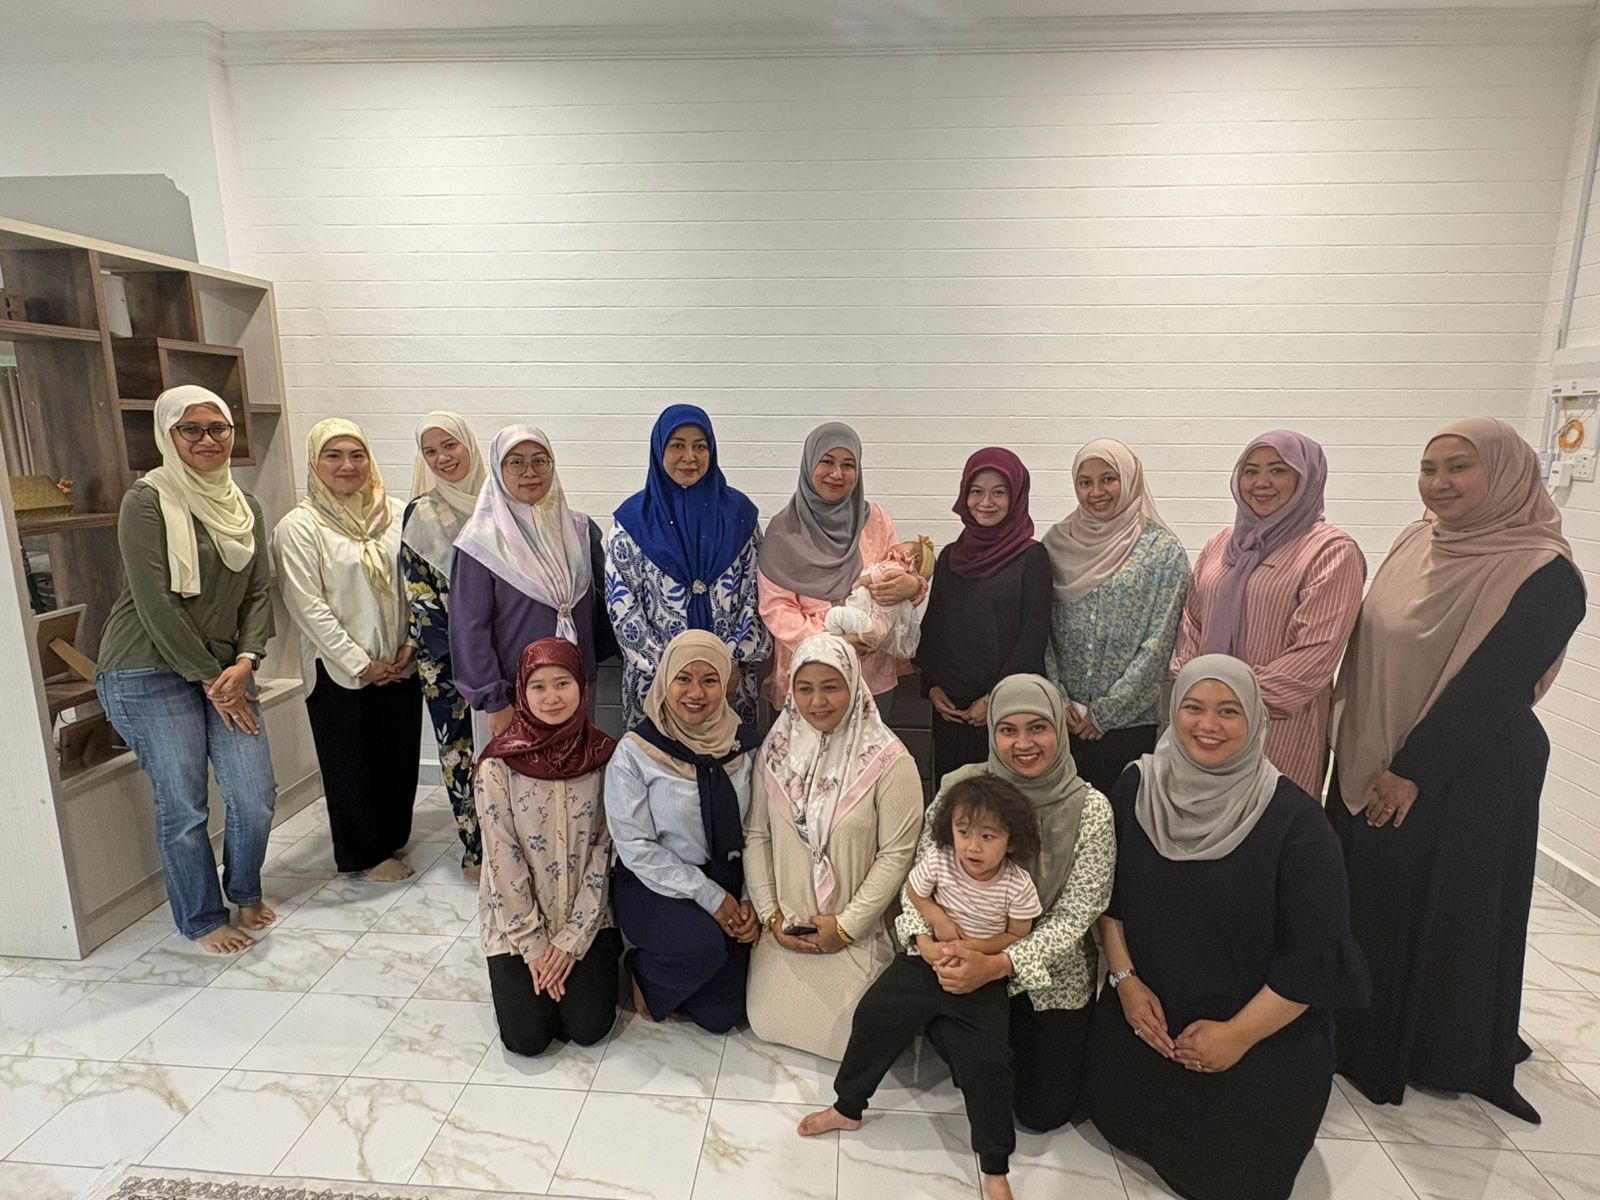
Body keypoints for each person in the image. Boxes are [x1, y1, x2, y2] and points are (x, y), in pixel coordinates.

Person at [1328, 417, 1586, 1123]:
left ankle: (1429, 1048)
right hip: (1374, 750)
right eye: (1428, 467)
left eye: (1458, 467)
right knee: (1371, 899)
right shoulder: (1418, 540)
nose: (1439, 483)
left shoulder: (1545, 572)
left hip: (1465, 773)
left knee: (1439, 913)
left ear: (1505, 474)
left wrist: (1411, 768)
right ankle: (1357, 1026)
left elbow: (1492, 686)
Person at [1085, 655, 1370, 1200]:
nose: (1207, 725)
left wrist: (1236, 1036)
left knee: (1236, 1178)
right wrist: (1125, 982)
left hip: (1257, 1027)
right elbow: (1110, 900)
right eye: (1193, 707)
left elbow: (1314, 960)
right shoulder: (1137, 787)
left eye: (1228, 711)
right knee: (1112, 1116)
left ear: (1256, 720)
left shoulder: (1299, 825)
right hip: (1151, 1015)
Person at [801, 775, 1042, 1200]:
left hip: (980, 977)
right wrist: (936, 929)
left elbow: (1017, 934)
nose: (972, 847)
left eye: (988, 837)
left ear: (1011, 841)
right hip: (924, 962)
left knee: (989, 1062)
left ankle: (994, 1164)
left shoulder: (1017, 883)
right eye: (964, 832)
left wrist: (974, 951)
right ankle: (847, 1107)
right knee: (875, 1014)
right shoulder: (941, 859)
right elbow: (915, 893)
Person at [96, 385, 277, 953]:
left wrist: (245, 662)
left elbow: (259, 592)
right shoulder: (147, 499)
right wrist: (211, 678)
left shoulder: (245, 506)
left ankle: (244, 888)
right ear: (167, 434)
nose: (207, 440)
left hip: (225, 671)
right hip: (146, 669)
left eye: (217, 428)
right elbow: (155, 602)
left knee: (254, 794)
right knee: (184, 805)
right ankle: (202, 918)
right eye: (191, 429)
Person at [896, 674, 1116, 1135]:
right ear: (992, 731)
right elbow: (921, 879)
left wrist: (999, 964)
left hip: (1047, 975)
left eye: (1038, 727)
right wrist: (925, 941)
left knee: (1042, 1111)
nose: (1023, 744)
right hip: (960, 954)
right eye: (1008, 729)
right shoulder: (962, 790)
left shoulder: (1091, 809)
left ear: (1059, 728)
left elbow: (1075, 916)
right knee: (974, 1070)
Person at [744, 634, 924, 1059]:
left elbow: (897, 855)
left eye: (831, 687)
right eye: (805, 688)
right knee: (766, 1022)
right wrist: (772, 917)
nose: (817, 702)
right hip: (787, 928)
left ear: (855, 686)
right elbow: (756, 835)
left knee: (851, 1040)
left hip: (855, 931)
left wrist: (845, 927)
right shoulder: (776, 751)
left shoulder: (890, 761)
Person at [1170, 431, 1365, 797]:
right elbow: (1192, 624)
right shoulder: (1220, 544)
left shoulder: (1331, 551)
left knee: (1270, 820)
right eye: (1251, 471)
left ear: (1306, 478)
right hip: (1203, 730)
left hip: (1276, 728)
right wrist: (1196, 696)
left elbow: (1314, 654)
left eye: (1278, 470)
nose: (1261, 482)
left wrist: (1228, 706)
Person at [273, 418, 421, 882]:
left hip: (399, 662)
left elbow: (416, 583)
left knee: (398, 756)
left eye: (357, 455)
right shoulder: (300, 527)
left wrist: (410, 644)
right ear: (314, 464)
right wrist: (361, 662)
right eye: (333, 456)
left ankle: (391, 838)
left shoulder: (395, 514)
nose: (347, 465)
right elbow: (307, 606)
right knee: (350, 763)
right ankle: (365, 854)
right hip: (339, 669)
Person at [605, 631, 759, 1032]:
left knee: (721, 1017)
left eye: (710, 680)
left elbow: (757, 830)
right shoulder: (636, 753)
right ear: (665, 680)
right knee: (702, 947)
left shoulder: (745, 748)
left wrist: (749, 899)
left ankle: (688, 973)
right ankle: (642, 969)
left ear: (725, 685)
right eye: (683, 679)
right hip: (655, 883)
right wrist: (710, 897)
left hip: (727, 879)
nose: (696, 693)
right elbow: (635, 846)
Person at [475, 638, 622, 1056]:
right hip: (517, 924)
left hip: (586, 919)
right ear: (522, 691)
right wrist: (536, 945)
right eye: (538, 686)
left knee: (589, 1028)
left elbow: (603, 850)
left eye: (563, 683)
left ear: (581, 686)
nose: (551, 697)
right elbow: (502, 859)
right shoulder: (497, 764)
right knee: (526, 1039)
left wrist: (571, 938)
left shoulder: (604, 758)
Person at [1042, 439, 1190, 794]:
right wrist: (1058, 699)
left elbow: (1159, 642)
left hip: (1128, 724)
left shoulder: (1163, 551)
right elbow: (1040, 630)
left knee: (1124, 815)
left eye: (1108, 479)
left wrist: (1106, 713)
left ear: (1130, 479)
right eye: (1085, 482)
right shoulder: (1054, 544)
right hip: (1061, 722)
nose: (1096, 492)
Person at [606, 405, 769, 725]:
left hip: (728, 682)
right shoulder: (632, 521)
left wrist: (730, 664)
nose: (689, 457)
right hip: (655, 684)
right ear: (659, 449)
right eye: (677, 445)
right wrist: (668, 673)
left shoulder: (739, 515)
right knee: (657, 756)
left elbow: (756, 594)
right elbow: (622, 607)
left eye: (700, 446)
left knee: (728, 755)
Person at [450, 425, 611, 749]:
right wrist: (493, 699)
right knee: (516, 777)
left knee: (575, 769)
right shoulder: (480, 543)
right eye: (516, 462)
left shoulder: (579, 530)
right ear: (498, 469)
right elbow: (469, 628)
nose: (530, 472)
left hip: (574, 687)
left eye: (540, 460)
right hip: (511, 696)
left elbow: (599, 605)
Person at [758, 422, 926, 706]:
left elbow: (895, 576)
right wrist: (832, 642)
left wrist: (912, 585)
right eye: (827, 461)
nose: (837, 473)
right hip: (809, 670)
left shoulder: (876, 520)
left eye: (848, 464)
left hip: (869, 666)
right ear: (809, 463)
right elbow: (776, 607)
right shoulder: (783, 530)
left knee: (871, 737)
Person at [917, 449, 1051, 785]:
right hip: (950, 712)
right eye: (976, 491)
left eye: (999, 492)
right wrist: (932, 687)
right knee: (951, 799)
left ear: (1016, 496)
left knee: (1001, 803)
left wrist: (994, 699)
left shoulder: (1032, 558)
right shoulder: (951, 556)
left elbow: (1033, 639)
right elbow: (935, 628)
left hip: (1006, 715)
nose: (986, 502)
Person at [400, 411, 488, 880]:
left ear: (469, 444)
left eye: (450, 445)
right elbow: (420, 596)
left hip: (505, 654)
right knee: (459, 753)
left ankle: (515, 845)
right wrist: (463, 655)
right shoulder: (421, 514)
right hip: (447, 660)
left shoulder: (500, 501)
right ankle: (475, 849)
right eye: (430, 451)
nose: (442, 458)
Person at [822, 535, 936, 659]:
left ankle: (833, 642)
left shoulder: (896, 569)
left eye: (905, 543)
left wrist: (862, 581)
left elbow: (881, 577)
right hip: (875, 628)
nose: (897, 545)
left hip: (872, 627)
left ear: (913, 557)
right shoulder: (896, 569)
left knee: (835, 615)